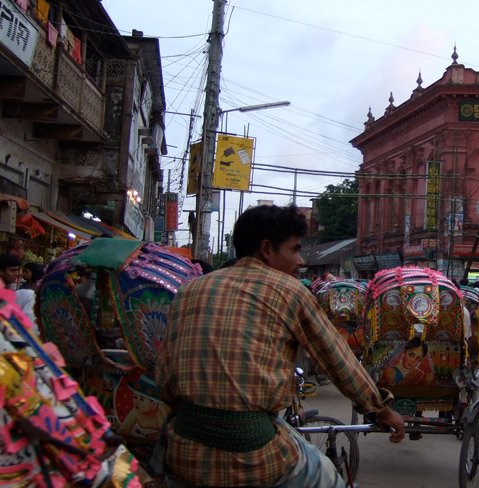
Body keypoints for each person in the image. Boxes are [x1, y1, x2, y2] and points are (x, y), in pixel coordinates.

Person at [156, 204, 404, 487]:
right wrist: (381, 409)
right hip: (255, 456)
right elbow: (340, 363)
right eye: (294, 249)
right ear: (266, 249)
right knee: (329, 477)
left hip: (183, 454)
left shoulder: (189, 289)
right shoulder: (291, 291)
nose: (301, 261)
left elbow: (164, 379)